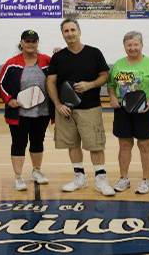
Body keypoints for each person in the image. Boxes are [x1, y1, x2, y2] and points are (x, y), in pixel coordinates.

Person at [47, 18, 115, 197]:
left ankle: (101, 179)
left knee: (95, 145)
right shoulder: (58, 57)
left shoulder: (93, 53)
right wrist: (58, 104)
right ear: (63, 34)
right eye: (66, 31)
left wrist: (90, 85)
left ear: (79, 31)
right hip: (66, 110)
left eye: (72, 30)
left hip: (90, 108)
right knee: (72, 144)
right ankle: (80, 178)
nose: (69, 34)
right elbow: (51, 82)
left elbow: (105, 76)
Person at [107, 31, 149, 194]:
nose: (132, 48)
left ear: (141, 45)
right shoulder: (118, 64)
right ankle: (124, 178)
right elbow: (111, 84)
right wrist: (112, 96)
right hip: (122, 109)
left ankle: (146, 180)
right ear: (124, 46)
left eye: (135, 45)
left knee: (145, 145)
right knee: (124, 144)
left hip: (145, 109)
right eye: (129, 45)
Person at [0, 30, 52, 191]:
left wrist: (59, 52)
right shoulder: (12, 63)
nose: (30, 44)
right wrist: (9, 100)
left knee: (37, 142)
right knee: (19, 143)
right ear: (21, 43)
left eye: (33, 41)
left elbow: (59, 70)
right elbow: (0, 84)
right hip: (19, 114)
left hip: (42, 112)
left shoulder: (47, 61)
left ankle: (36, 171)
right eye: (27, 41)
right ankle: (18, 177)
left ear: (37, 43)